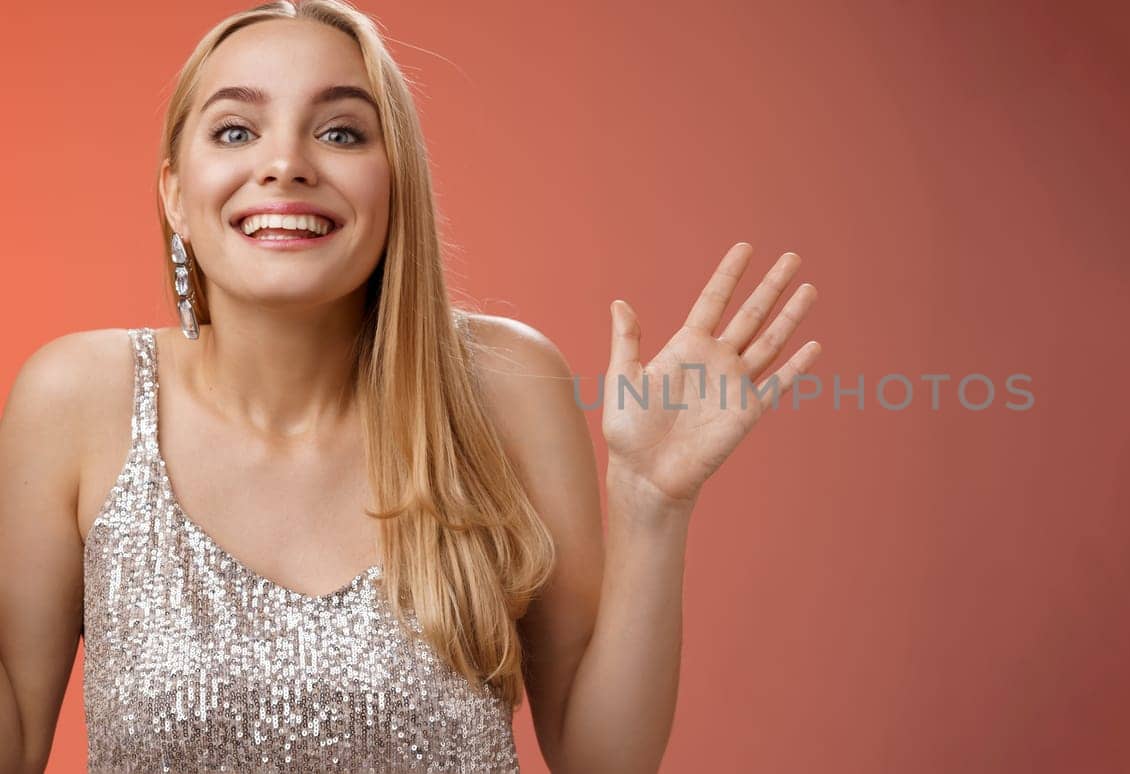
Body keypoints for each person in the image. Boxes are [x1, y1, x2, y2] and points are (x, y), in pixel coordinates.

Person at [0, 1, 820, 771]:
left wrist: (651, 502)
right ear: (176, 194)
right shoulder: (79, 398)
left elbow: (600, 759)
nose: (285, 164)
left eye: (342, 133)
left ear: (397, 187)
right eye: (238, 129)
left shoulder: (505, 388)